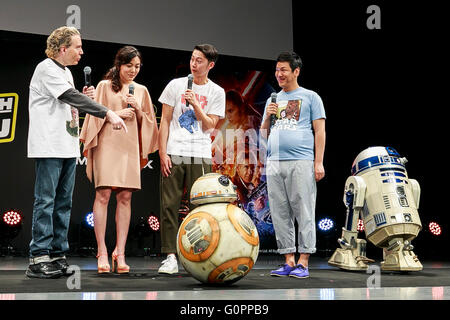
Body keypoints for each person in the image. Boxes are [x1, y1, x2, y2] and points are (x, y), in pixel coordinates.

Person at [26, 26, 127, 279]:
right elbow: (68, 96)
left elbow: (68, 102)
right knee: (46, 201)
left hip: (67, 146)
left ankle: (57, 254)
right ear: (63, 49)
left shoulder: (67, 73)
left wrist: (82, 99)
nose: (81, 51)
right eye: (77, 47)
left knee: (63, 203)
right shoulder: (46, 68)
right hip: (49, 145)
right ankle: (39, 257)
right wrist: (107, 111)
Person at [80, 46, 159, 274]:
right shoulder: (105, 86)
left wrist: (139, 111)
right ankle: (102, 251)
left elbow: (150, 125)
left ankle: (120, 252)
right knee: (103, 195)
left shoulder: (141, 91)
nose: (133, 71)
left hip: (129, 146)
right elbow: (94, 116)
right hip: (107, 144)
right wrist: (115, 115)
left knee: (125, 197)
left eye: (137, 67)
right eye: (129, 66)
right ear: (119, 65)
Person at [158, 44, 225, 274]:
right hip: (175, 150)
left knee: (200, 207)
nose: (194, 64)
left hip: (201, 153)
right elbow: (164, 121)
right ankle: (169, 256)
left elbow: (210, 126)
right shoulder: (175, 85)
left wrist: (196, 103)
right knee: (170, 205)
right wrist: (162, 152)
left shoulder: (217, 92)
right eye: (192, 59)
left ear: (210, 65)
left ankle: (199, 254)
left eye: (199, 61)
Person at [260, 51, 326, 279]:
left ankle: (303, 262)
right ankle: (288, 260)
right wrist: (268, 117)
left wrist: (318, 162)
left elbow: (320, 130)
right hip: (275, 162)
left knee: (304, 209)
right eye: (277, 70)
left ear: (296, 71)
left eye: (284, 70)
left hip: (301, 160)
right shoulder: (272, 99)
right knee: (279, 212)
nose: (279, 74)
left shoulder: (311, 97)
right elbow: (263, 134)